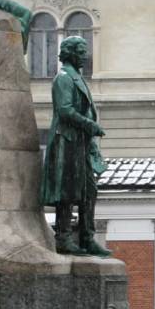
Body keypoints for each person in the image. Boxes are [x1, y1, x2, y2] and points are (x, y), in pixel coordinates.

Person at [42, 35, 109, 256]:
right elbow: (65, 110)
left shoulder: (77, 77)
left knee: (89, 190)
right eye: (80, 51)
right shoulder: (63, 78)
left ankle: (86, 237)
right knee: (67, 191)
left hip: (80, 143)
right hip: (66, 142)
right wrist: (90, 125)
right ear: (69, 53)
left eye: (84, 51)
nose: (84, 55)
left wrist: (91, 141)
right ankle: (63, 236)